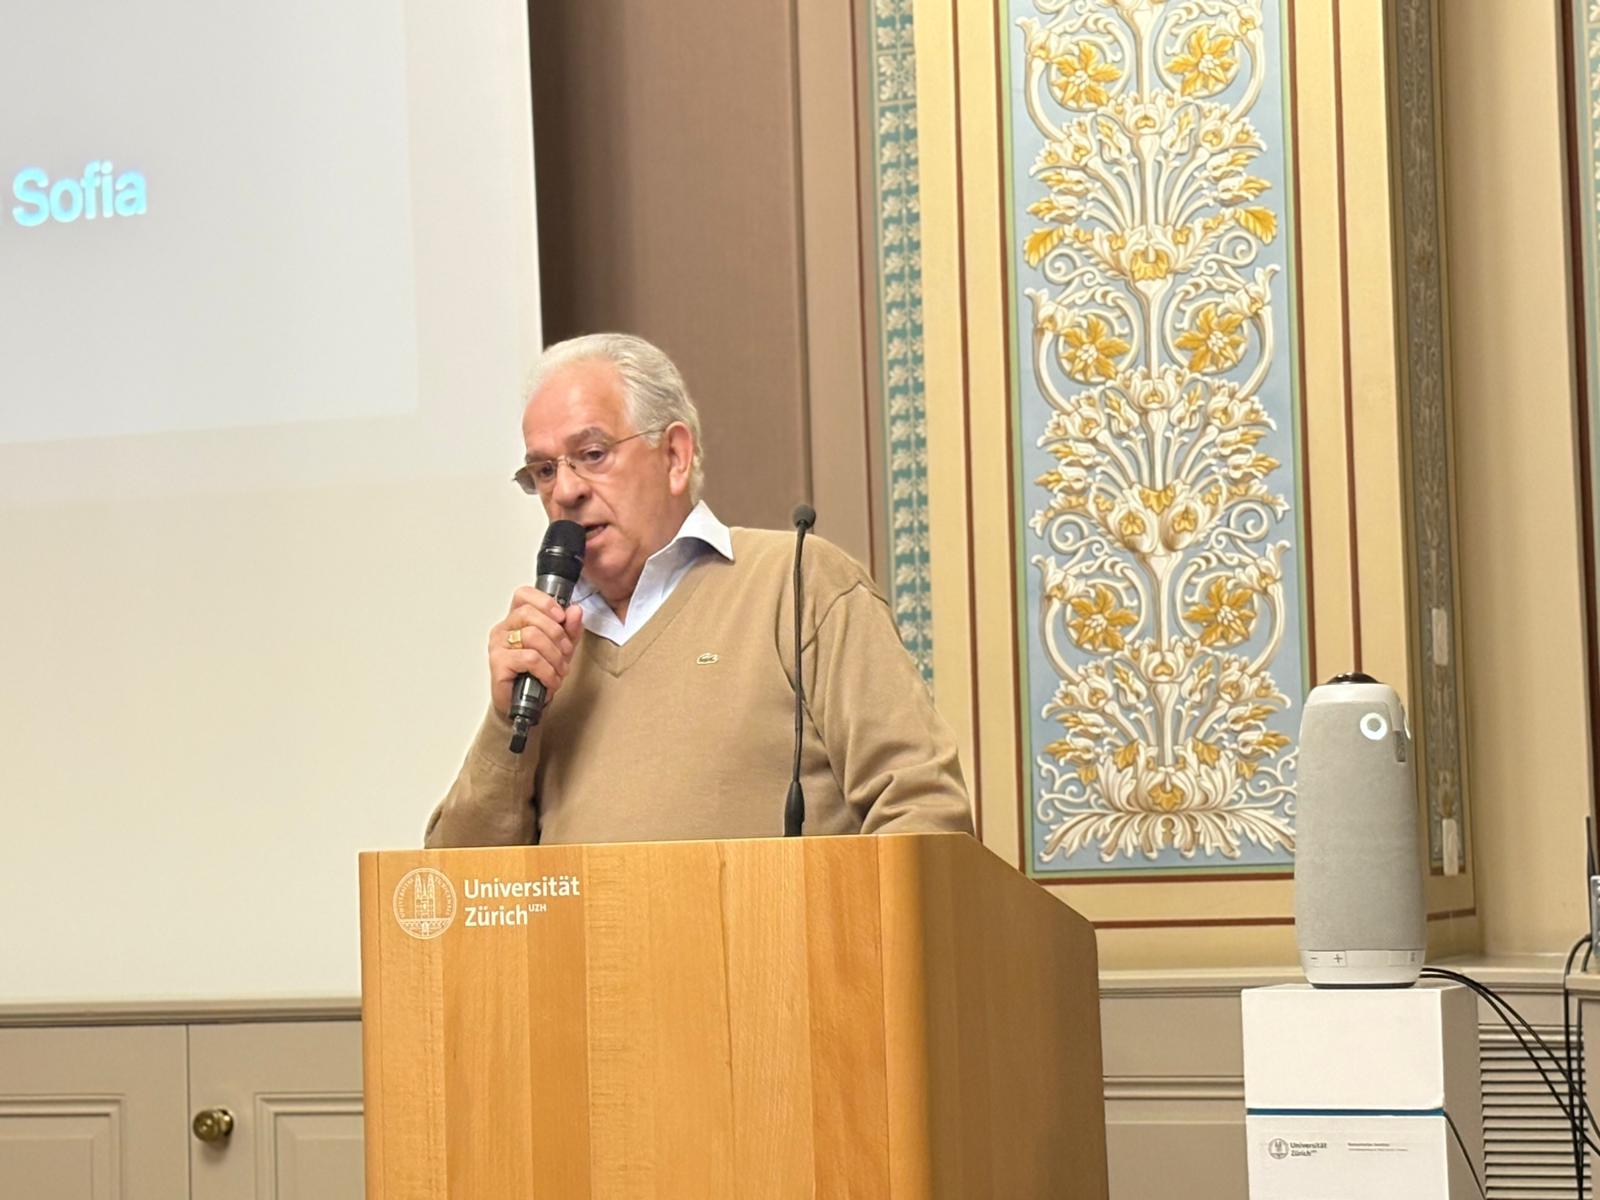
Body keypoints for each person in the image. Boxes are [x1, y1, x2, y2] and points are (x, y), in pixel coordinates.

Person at [424, 333, 972, 846]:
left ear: (675, 456)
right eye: (544, 471)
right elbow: (458, 888)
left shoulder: (799, 583)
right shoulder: (545, 656)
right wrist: (507, 721)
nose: (565, 490)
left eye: (592, 455)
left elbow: (924, 813)